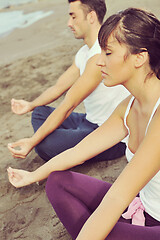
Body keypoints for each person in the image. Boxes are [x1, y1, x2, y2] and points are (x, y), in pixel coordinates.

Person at [8, 7, 160, 240]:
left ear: (140, 57)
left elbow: (118, 196)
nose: (99, 62)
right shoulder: (129, 106)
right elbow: (79, 151)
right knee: (57, 182)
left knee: (102, 227)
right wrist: (32, 175)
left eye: (107, 53)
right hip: (140, 207)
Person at [8, 0, 129, 162]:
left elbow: (69, 103)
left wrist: (32, 141)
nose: (69, 23)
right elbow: (58, 88)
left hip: (109, 133)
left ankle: (64, 144)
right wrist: (30, 105)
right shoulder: (83, 53)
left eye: (73, 17)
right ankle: (66, 140)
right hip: (89, 120)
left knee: (44, 146)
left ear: (91, 16)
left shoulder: (101, 55)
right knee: (39, 112)